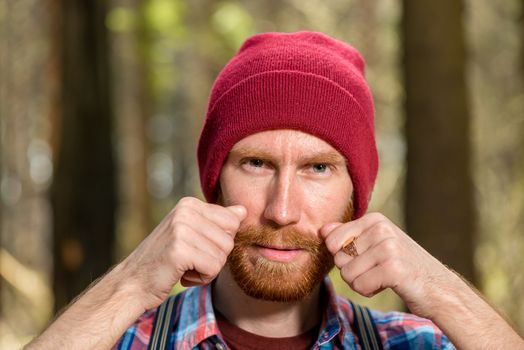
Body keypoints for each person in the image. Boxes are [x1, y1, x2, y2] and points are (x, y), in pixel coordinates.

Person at [27, 31, 524, 350]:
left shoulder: (415, 345)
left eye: (318, 169)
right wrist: (132, 283)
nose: (282, 210)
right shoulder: (117, 340)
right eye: (257, 163)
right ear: (215, 182)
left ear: (358, 197)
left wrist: (440, 290)